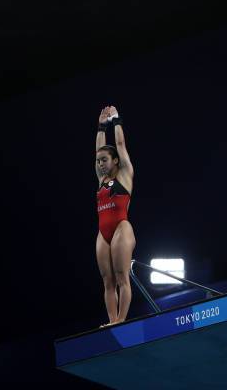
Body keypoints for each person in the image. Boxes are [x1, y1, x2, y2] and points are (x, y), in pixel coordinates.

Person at [95, 105, 135, 326]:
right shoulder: (101, 180)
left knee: (121, 277)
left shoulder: (125, 173)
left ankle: (121, 319)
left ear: (116, 161)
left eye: (105, 160)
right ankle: (111, 321)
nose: (101, 164)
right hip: (104, 232)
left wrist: (116, 120)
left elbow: (119, 144)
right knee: (107, 281)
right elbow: (98, 150)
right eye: (99, 161)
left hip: (121, 228)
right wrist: (101, 126)